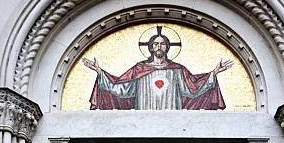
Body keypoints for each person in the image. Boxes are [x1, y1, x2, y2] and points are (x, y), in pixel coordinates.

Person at [82, 25, 233, 110]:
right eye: (155, 44)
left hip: (173, 115)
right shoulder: (140, 69)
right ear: (151, 48)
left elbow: (192, 88)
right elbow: (121, 88)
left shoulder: (177, 70)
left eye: (162, 44)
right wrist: (100, 72)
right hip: (143, 114)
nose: (159, 46)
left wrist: (214, 73)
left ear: (167, 47)